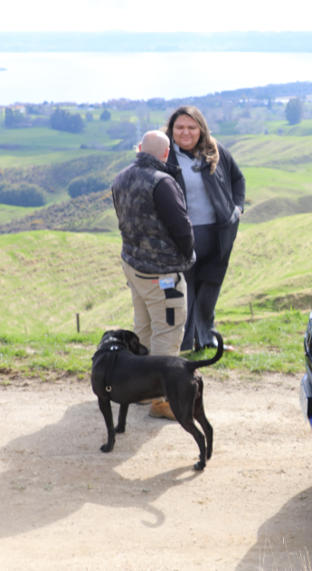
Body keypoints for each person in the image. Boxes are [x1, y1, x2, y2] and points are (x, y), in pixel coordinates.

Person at [111, 130, 195, 420]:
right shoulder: (163, 182)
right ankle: (161, 400)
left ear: (139, 149)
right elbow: (182, 228)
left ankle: (138, 390)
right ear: (165, 154)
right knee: (168, 331)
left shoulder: (120, 177)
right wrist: (186, 256)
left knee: (143, 327)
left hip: (133, 265)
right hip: (162, 274)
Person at [164, 106, 246, 352]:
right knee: (183, 291)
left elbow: (238, 179)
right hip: (180, 237)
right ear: (171, 129)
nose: (185, 132)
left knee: (209, 289)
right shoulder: (164, 155)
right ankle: (184, 344)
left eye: (191, 127)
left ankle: (207, 340)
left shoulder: (215, 150)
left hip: (218, 234)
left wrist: (237, 209)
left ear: (201, 129)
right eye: (180, 127)